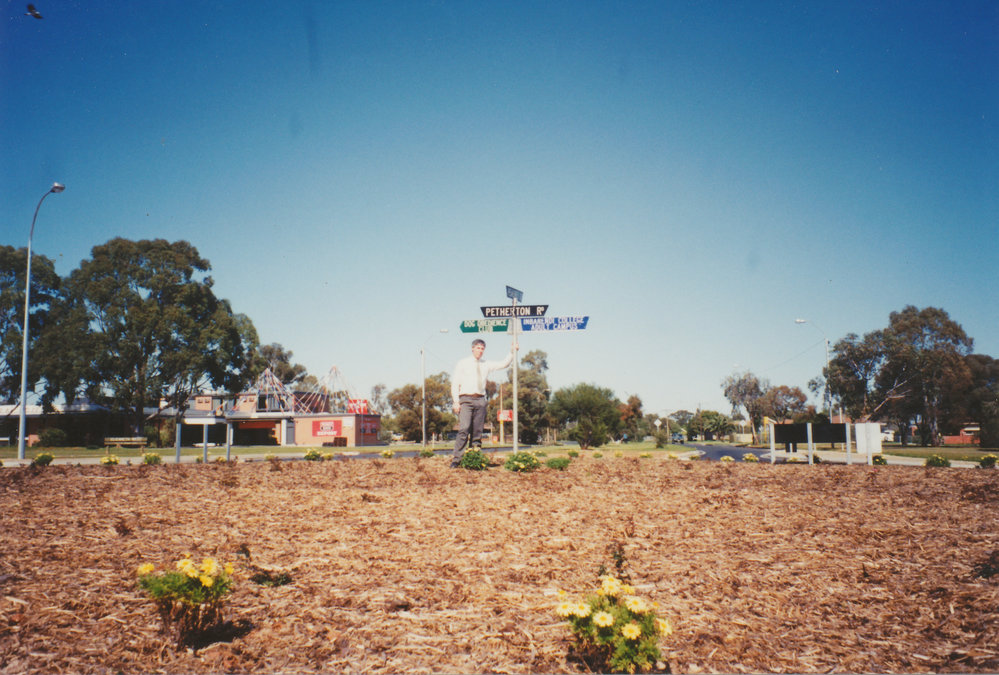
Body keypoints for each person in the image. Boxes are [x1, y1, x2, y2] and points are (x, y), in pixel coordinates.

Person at [450, 337, 516, 467]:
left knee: (477, 432)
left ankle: (474, 458)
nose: (480, 351)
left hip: (480, 399)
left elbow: (504, 364)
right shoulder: (463, 363)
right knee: (464, 428)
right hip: (465, 399)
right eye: (478, 348)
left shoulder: (486, 364)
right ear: (472, 348)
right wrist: (456, 401)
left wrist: (512, 352)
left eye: (482, 349)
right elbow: (455, 383)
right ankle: (457, 460)